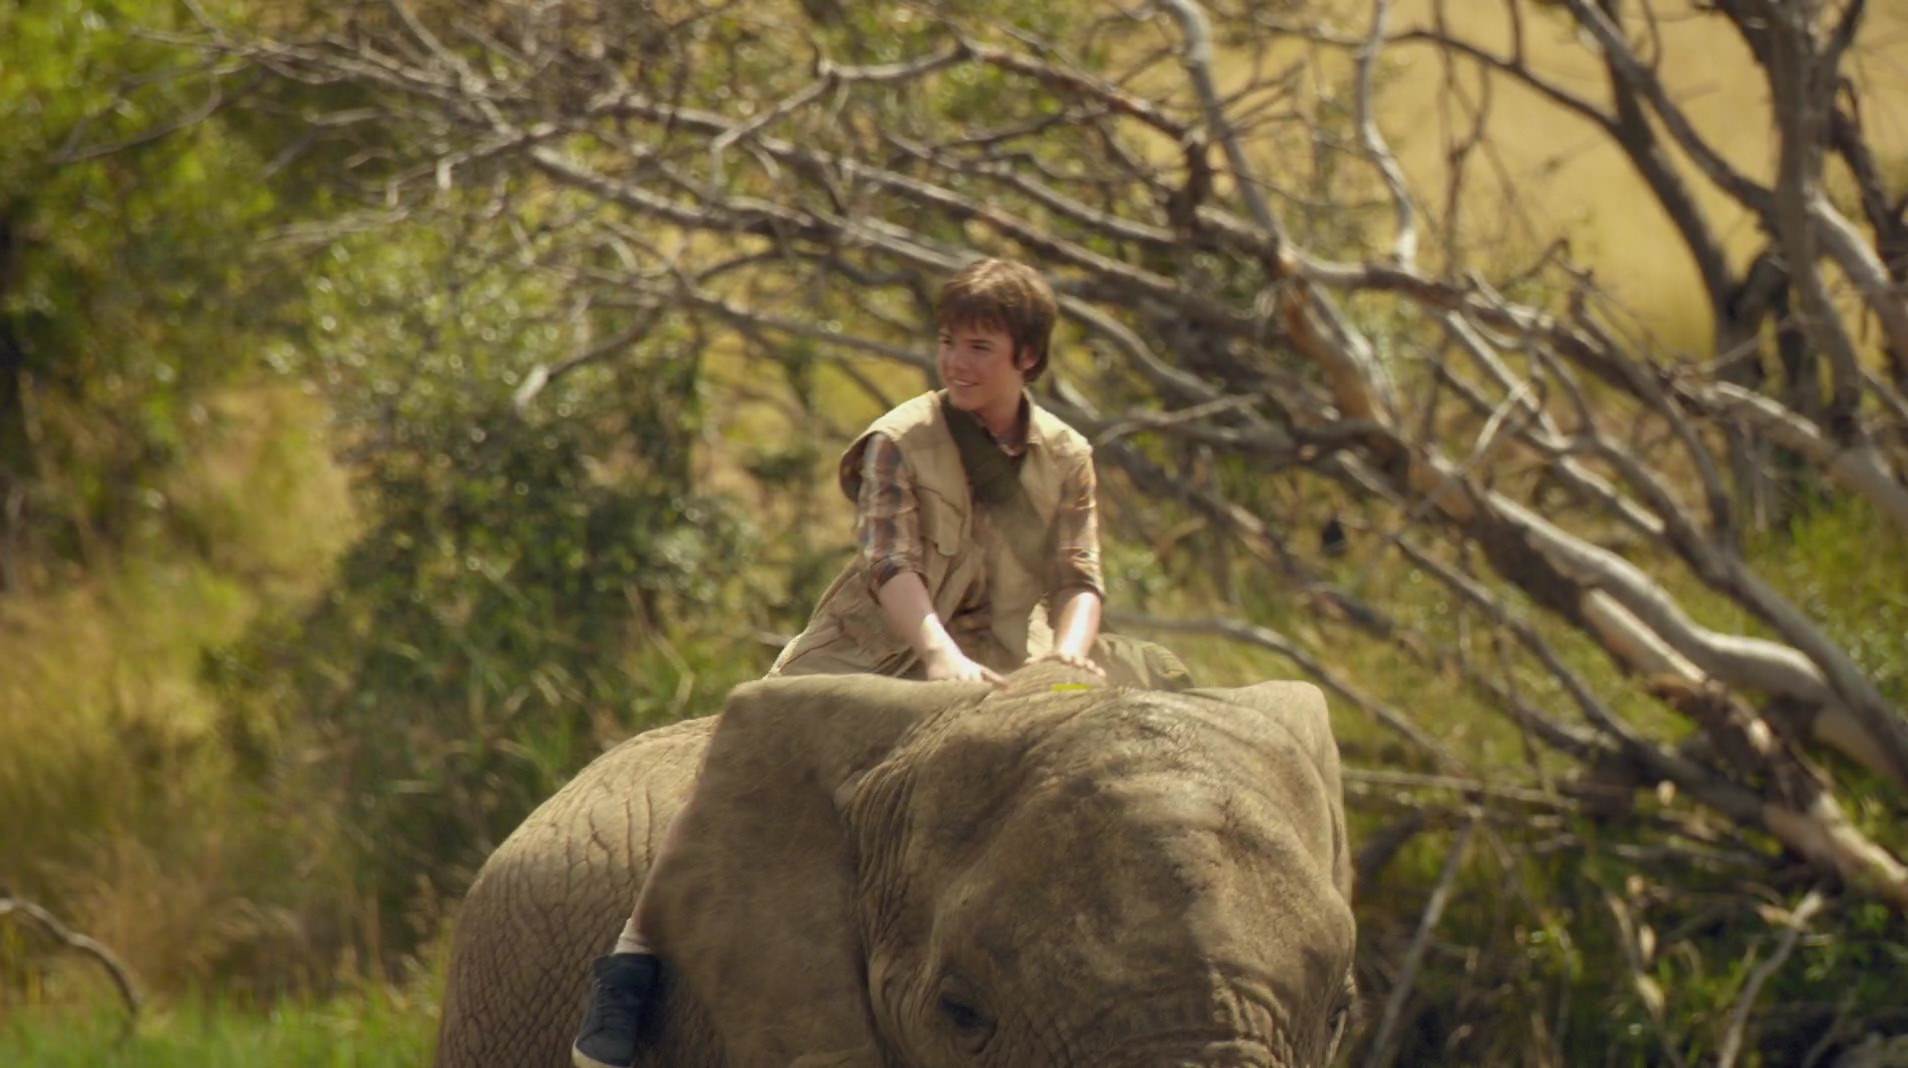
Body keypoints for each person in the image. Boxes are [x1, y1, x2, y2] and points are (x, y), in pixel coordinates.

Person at [570, 257, 1114, 1068]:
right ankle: (631, 963)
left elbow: (1079, 577)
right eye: (948, 342)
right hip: (877, 643)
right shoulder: (899, 440)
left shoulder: (1066, 454)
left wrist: (1068, 656)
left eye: (978, 347)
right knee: (734, 768)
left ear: (1026, 357)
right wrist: (937, 656)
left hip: (1006, 654)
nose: (956, 362)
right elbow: (890, 565)